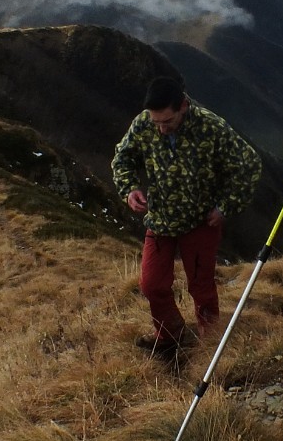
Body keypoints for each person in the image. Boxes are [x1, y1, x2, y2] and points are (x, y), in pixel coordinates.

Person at [112, 73, 262, 361]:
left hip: (200, 222)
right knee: (151, 284)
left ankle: (210, 343)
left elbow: (249, 165)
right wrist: (129, 189)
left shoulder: (210, 127)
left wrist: (225, 207)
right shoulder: (144, 123)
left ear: (182, 106)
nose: (161, 129)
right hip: (160, 220)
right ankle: (170, 334)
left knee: (201, 286)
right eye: (156, 123)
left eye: (166, 122)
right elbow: (123, 157)